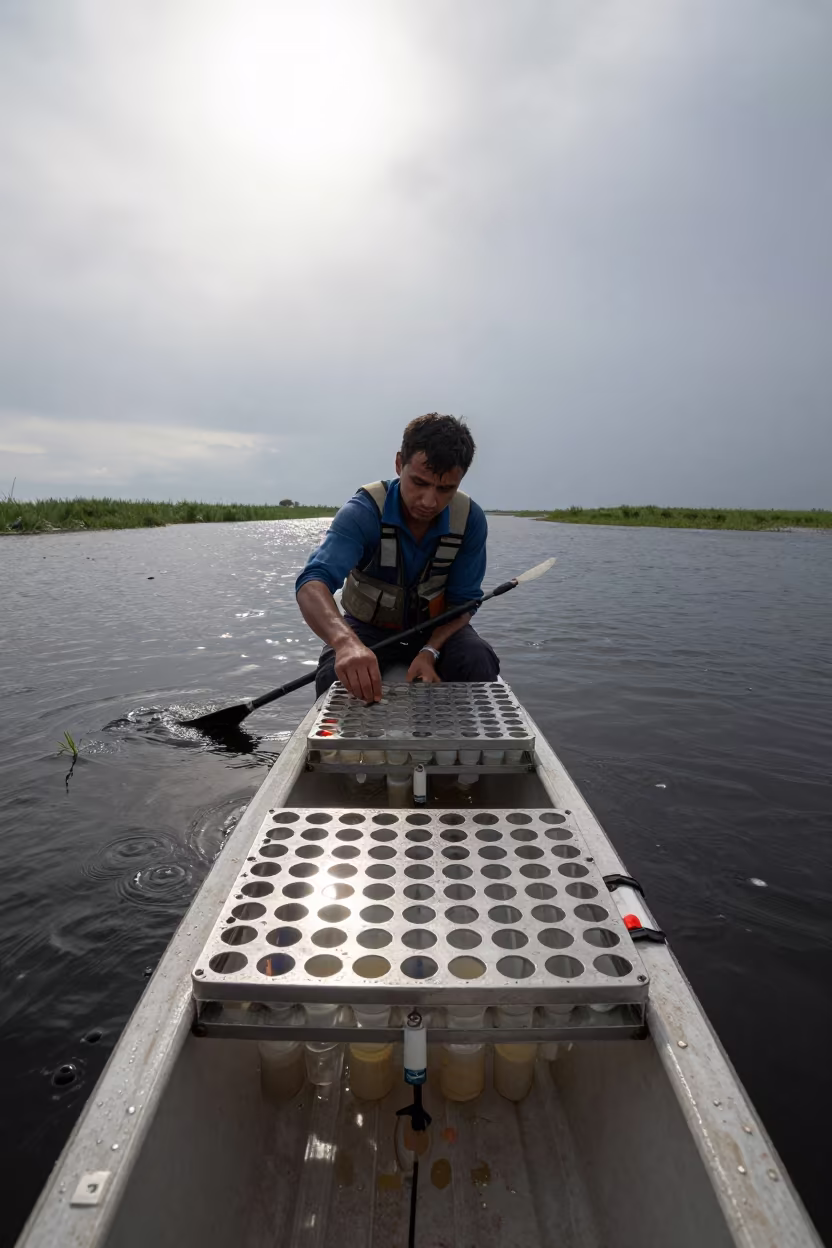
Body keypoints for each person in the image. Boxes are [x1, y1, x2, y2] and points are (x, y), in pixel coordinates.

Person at [296, 413, 500, 701]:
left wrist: (430, 650)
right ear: (398, 464)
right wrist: (345, 644)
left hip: (437, 630)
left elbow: (464, 603)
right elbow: (312, 583)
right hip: (367, 630)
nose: (429, 501)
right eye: (419, 482)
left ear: (460, 480)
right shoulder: (362, 513)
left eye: (445, 489)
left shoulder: (470, 520)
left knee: (478, 659)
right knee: (334, 676)